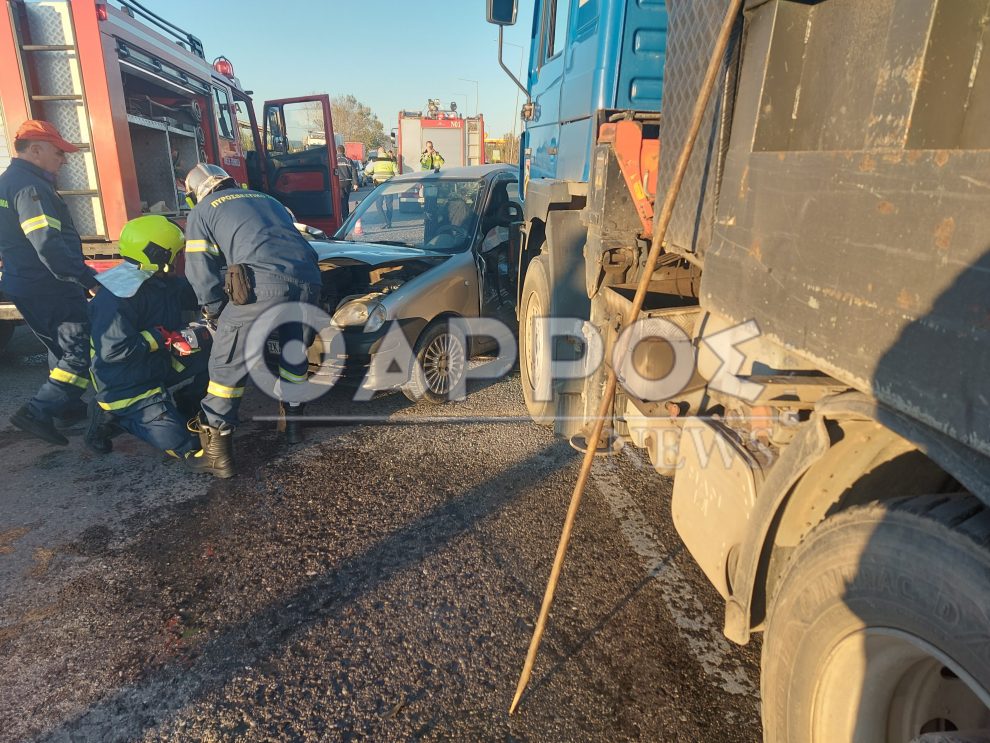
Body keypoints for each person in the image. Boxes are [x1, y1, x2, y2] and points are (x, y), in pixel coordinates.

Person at [182, 163, 322, 477]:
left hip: (262, 287)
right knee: (292, 352)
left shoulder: (202, 211)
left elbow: (200, 270)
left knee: (226, 365)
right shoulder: (266, 199)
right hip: (309, 280)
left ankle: (218, 458)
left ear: (197, 193)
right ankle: (293, 428)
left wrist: (215, 311)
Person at [0, 120, 100, 445]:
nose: (64, 159)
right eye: (59, 152)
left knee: (58, 345)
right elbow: (47, 244)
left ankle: (67, 405)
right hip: (49, 285)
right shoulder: (31, 188)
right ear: (35, 149)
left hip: (25, 282)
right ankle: (37, 412)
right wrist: (87, 278)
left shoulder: (8, 182)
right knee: (77, 352)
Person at [86, 216, 210, 458]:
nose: (179, 259)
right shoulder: (115, 297)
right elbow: (112, 351)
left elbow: (196, 293)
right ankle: (110, 415)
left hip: (156, 365)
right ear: (160, 256)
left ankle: (188, 405)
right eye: (177, 254)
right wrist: (159, 336)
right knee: (190, 450)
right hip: (126, 384)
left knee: (219, 354)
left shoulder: (161, 281)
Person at [365, 148, 399, 227]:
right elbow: (397, 174)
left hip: (378, 186)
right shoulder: (391, 161)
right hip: (389, 185)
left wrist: (372, 175)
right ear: (385, 152)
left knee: (379, 205)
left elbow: (366, 172)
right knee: (389, 205)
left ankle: (385, 222)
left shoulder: (374, 161)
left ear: (378, 153)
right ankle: (389, 222)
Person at [335, 145, 358, 219]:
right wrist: (355, 184)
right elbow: (354, 171)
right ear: (344, 151)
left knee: (340, 201)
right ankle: (345, 217)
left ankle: (342, 218)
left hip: (337, 182)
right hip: (347, 183)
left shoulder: (334, 160)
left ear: (337, 151)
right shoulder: (348, 160)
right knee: (345, 200)